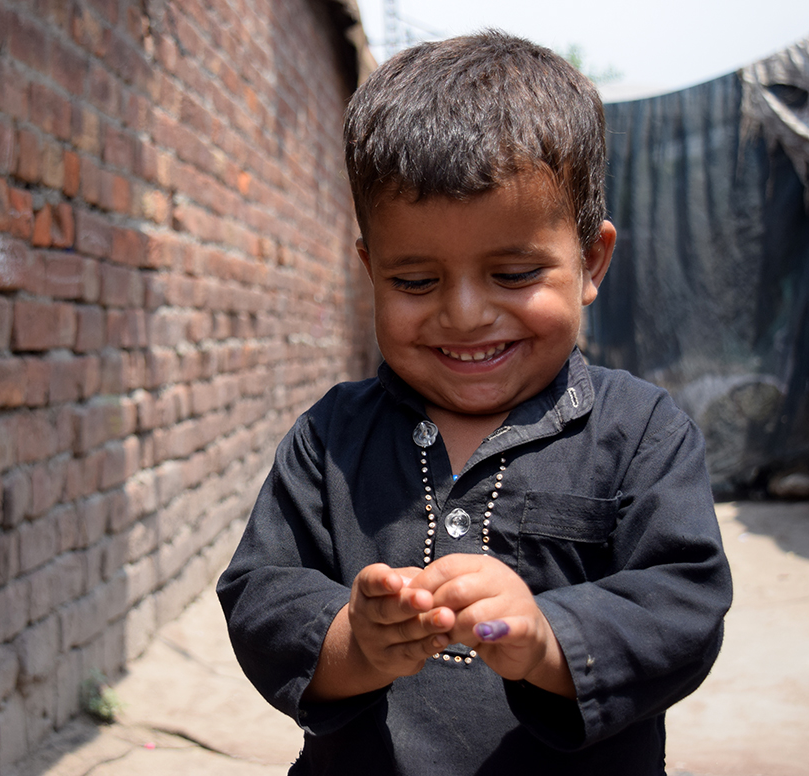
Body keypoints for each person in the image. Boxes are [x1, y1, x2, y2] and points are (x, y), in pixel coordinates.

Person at [217, 31, 732, 775]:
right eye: (416, 282)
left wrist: (547, 637)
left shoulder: (642, 432)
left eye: (515, 273)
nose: (463, 315)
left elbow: (684, 603)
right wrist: (353, 643)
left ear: (591, 261)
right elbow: (260, 593)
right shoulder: (330, 437)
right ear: (369, 269)